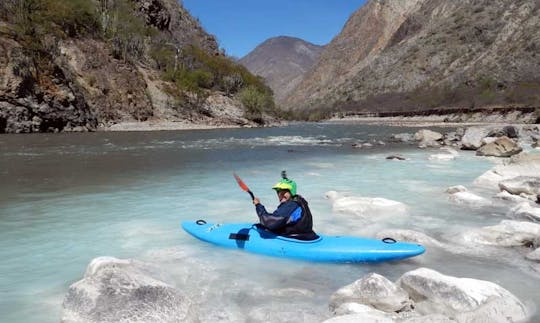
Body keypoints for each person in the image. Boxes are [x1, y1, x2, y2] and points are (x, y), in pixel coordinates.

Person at [253, 173, 318, 240]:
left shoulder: (290, 206)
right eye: (278, 192)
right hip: (308, 235)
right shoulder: (299, 201)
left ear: (291, 192)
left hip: (296, 238)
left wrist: (258, 206)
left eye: (284, 192)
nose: (280, 195)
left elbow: (269, 222)